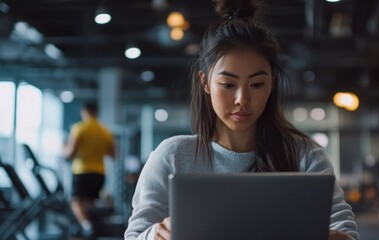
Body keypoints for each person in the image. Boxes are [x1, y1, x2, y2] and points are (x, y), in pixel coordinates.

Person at [125, 0, 359, 239]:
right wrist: (156, 234)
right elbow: (134, 235)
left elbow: (346, 232)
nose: (242, 99)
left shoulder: (304, 155)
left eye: (257, 84)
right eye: (228, 84)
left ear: (273, 82)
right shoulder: (173, 156)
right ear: (205, 82)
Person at [64, 102, 116, 236]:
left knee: (76, 202)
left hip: (82, 170)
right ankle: (91, 229)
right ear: (96, 113)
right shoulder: (105, 131)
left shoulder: (79, 128)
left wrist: (63, 148)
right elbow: (113, 154)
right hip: (99, 172)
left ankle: (87, 226)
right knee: (90, 203)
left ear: (84, 112)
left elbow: (70, 153)